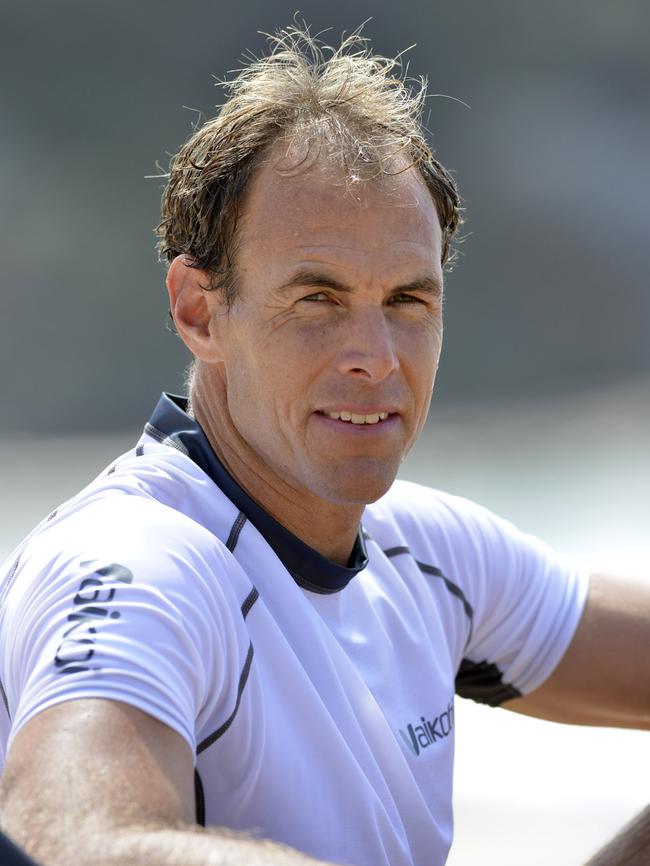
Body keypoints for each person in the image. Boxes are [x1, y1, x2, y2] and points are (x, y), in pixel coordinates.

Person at [0, 25, 647, 866]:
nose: (376, 356)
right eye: (317, 298)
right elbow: (69, 841)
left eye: (409, 300)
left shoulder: (426, 552)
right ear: (200, 312)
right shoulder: (141, 562)